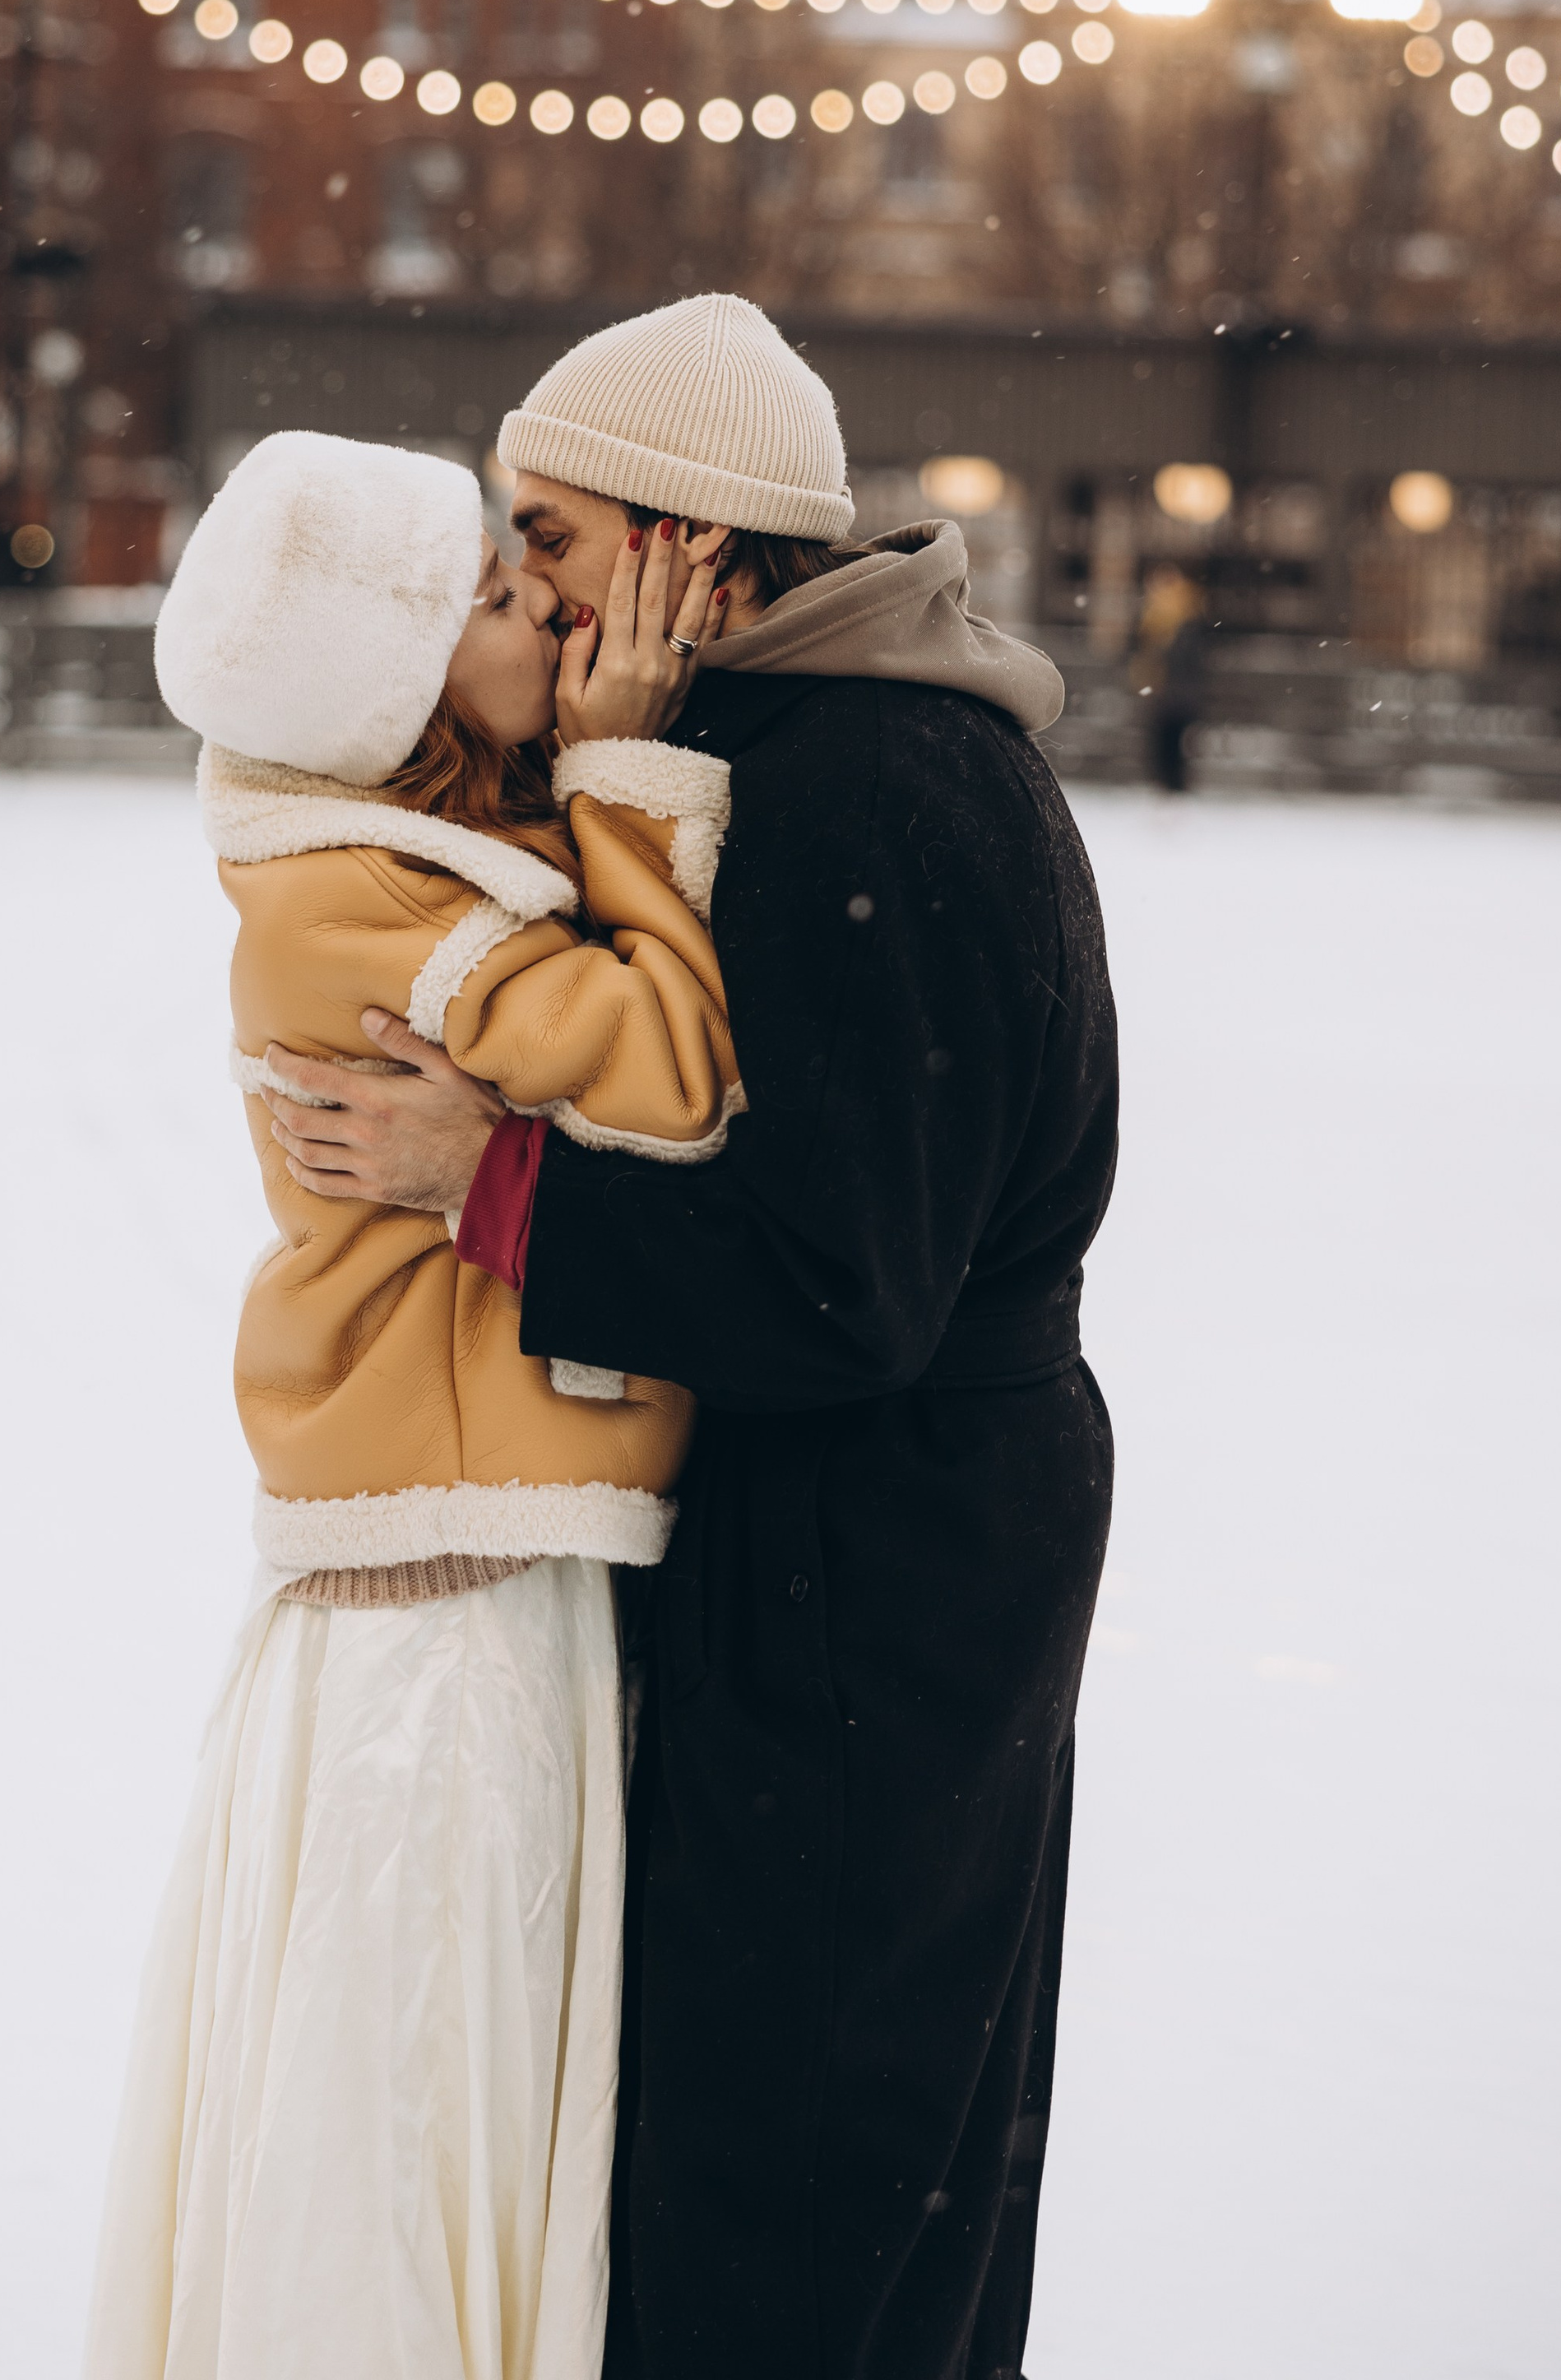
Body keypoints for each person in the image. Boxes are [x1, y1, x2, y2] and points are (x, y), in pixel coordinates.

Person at [262, 295, 1120, 2380]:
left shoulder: (877, 781)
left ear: (691, 546)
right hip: (862, 1529)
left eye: (549, 534)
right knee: (823, 2142)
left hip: (877, 1554)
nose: (523, 578)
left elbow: (841, 1283)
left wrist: (484, 1177)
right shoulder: (811, 742)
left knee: (799, 2156)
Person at [82, 429, 750, 2380]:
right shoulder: (372, 908)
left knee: (452, 2070)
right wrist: (628, 780)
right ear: (387, 690)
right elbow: (667, 1066)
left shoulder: (409, 854)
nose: (545, 606)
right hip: (446, 1595)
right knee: (409, 2085)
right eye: (486, 594)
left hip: (476, 1536)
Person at [1132, 561, 1209, 793]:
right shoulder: (1156, 616)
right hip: (1166, 692)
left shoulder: (1183, 618)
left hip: (1173, 693)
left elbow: (1184, 659)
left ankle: (1172, 784)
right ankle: (1167, 784)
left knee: (1172, 742)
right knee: (1166, 742)